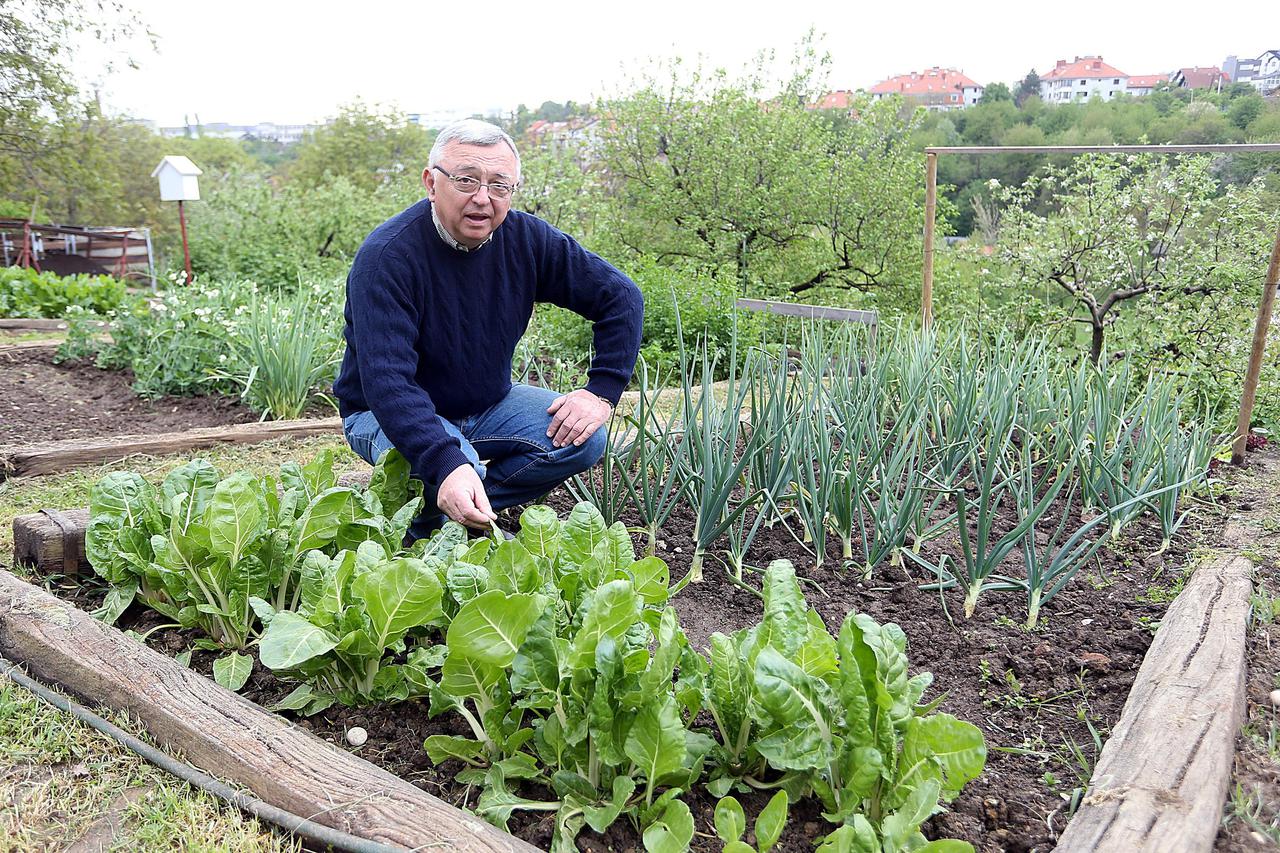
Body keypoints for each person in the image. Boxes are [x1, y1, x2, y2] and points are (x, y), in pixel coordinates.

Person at [333, 119, 643, 537]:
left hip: (487, 406)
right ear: (431, 183)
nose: (483, 198)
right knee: (456, 461)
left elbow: (621, 297)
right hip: (381, 413)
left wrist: (601, 392)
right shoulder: (388, 257)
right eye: (466, 180)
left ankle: (446, 518)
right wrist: (448, 463)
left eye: (499, 185)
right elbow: (389, 383)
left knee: (583, 439)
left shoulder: (527, 240)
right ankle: (446, 513)